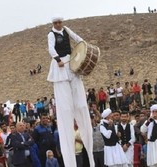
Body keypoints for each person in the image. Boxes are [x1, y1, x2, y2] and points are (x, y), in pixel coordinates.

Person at [47, 16, 94, 167]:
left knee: (76, 85)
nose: (58, 25)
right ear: (53, 24)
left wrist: (82, 48)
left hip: (71, 61)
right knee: (64, 95)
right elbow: (51, 48)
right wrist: (57, 59)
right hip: (61, 63)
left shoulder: (66, 30)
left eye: (60, 22)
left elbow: (78, 39)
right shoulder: (51, 34)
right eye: (56, 23)